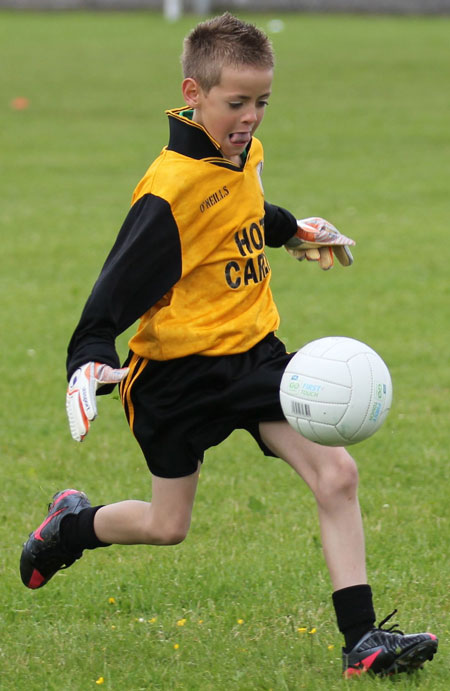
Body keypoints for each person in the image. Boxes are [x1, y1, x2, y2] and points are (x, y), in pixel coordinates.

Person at [20, 13, 437, 678]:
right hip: (175, 377)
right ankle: (69, 526)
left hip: (256, 359)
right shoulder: (170, 190)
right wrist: (86, 357)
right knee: (167, 524)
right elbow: (113, 291)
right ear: (194, 93)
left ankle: (362, 641)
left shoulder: (244, 154)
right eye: (236, 103)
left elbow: (243, 210)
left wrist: (291, 230)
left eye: (262, 102)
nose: (250, 117)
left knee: (337, 474)